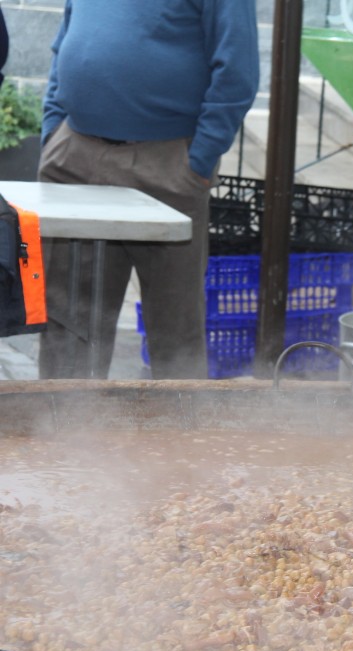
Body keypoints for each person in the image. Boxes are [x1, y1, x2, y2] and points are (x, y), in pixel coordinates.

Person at [37, 0, 259, 379]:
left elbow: (237, 70)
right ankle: (62, 433)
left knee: (175, 333)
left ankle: (176, 434)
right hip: (74, 154)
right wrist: (53, 129)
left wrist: (200, 160)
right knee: (67, 320)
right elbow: (65, 41)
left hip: (167, 164)